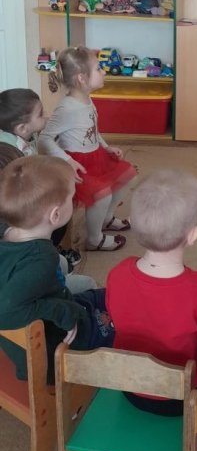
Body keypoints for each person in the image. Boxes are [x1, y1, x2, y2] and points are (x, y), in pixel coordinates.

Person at [106, 169, 197, 415]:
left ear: (133, 224)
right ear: (193, 235)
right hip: (182, 397)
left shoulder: (117, 274)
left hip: (130, 386)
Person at [0, 156, 114, 383]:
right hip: (51, 350)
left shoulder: (7, 234)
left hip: (45, 318)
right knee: (119, 330)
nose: (75, 200)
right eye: (71, 197)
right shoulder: (42, 259)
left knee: (104, 296)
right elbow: (6, 312)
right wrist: (63, 313)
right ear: (55, 215)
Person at [39, 46, 137, 252]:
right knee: (102, 194)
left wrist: (106, 147)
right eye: (99, 68)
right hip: (77, 164)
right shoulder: (67, 108)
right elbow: (45, 139)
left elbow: (91, 129)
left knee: (126, 175)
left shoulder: (87, 99)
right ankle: (94, 239)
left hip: (96, 156)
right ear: (82, 78)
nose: (104, 72)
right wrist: (67, 160)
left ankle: (106, 219)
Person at [0, 88, 91, 289]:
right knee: (58, 220)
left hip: (26, 201)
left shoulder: (24, 135)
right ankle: (53, 249)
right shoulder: (9, 153)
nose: (46, 116)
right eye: (41, 114)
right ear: (22, 128)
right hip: (21, 208)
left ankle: (55, 250)